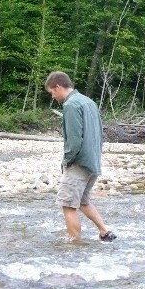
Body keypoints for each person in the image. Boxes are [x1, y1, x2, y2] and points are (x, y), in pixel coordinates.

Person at [45, 71, 116, 242]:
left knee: (68, 205)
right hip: (93, 162)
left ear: (58, 86)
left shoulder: (71, 105)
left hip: (79, 163)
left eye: (52, 92)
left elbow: (75, 139)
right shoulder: (89, 102)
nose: (53, 96)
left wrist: (67, 161)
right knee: (83, 201)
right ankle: (104, 231)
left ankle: (75, 244)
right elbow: (99, 133)